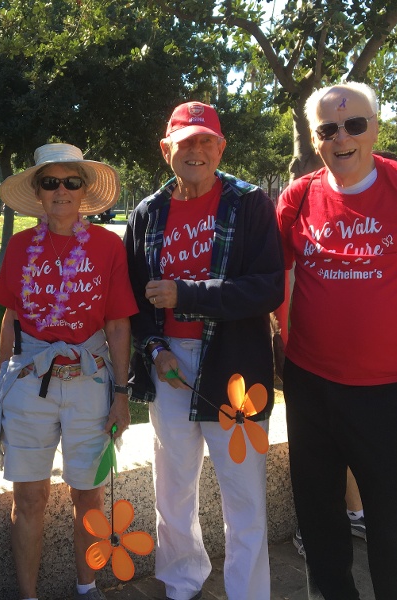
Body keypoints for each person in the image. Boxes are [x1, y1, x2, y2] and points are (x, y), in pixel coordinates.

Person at [276, 81, 397, 600]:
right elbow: (277, 277)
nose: (343, 138)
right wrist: (283, 345)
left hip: (391, 393)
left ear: (375, 129)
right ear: (315, 139)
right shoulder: (298, 196)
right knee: (319, 523)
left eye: (355, 125)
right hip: (311, 387)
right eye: (329, 129)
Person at [124, 101, 285, 600]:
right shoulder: (147, 213)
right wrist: (154, 349)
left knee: (245, 497)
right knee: (172, 490)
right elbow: (133, 299)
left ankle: (248, 593)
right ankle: (181, 580)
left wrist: (188, 294)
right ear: (165, 149)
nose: (196, 150)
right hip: (169, 367)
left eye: (206, 141)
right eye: (185, 141)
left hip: (236, 371)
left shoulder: (249, 202)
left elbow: (267, 288)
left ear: (221, 147)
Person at [0, 143, 136, 600]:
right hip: (30, 382)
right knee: (28, 499)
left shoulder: (109, 247)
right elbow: (10, 319)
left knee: (87, 496)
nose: (61, 191)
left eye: (71, 181)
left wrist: (121, 393)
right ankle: (28, 596)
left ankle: (86, 589)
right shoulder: (18, 247)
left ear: (84, 190)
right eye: (50, 182)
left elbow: (116, 323)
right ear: (39, 191)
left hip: (89, 381)